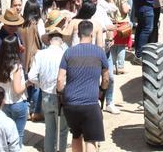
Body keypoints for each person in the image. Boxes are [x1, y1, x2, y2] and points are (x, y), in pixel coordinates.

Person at [57, 21, 110, 152]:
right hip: (90, 103)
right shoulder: (99, 52)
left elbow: (59, 79)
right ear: (92, 34)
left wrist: (61, 93)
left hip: (71, 104)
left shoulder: (68, 53)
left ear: (78, 33)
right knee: (91, 139)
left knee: (76, 136)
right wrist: (102, 90)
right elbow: (106, 78)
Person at [29, 17, 70, 152]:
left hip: (46, 95)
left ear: (49, 39)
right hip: (62, 95)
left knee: (49, 129)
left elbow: (31, 76)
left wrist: (41, 84)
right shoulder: (66, 54)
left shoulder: (40, 54)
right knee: (63, 130)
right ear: (61, 40)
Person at [0, 9, 24, 87]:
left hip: (16, 78)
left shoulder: (16, 35)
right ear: (4, 23)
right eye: (10, 25)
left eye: (15, 25)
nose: (13, 28)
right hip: (2, 81)